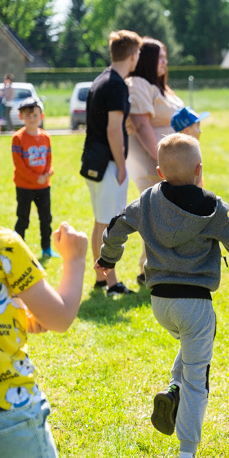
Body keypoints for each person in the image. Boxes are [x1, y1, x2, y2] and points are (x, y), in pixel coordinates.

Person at [95, 133, 229, 458]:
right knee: (199, 378)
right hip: (195, 301)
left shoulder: (148, 199)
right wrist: (223, 225)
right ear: (199, 170)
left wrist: (107, 259)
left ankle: (173, 390)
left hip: (160, 301)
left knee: (192, 349)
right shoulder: (212, 206)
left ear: (160, 172)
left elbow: (117, 226)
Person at [0, 137, 88, 458]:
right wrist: (75, 259)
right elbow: (60, 317)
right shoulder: (2, 247)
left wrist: (18, 317)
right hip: (10, 412)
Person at [83, 29, 141, 296]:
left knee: (100, 221)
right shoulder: (116, 84)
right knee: (109, 225)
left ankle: (100, 278)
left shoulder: (101, 80)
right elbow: (113, 129)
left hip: (93, 161)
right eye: (138, 53)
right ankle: (111, 283)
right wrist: (120, 164)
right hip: (107, 163)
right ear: (131, 55)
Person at [126, 38, 185, 285]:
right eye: (160, 57)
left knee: (169, 214)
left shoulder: (162, 88)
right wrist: (163, 157)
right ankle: (149, 270)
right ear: (147, 60)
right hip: (152, 160)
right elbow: (141, 124)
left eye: (165, 57)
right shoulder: (138, 84)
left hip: (174, 160)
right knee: (157, 214)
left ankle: (157, 267)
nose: (165, 61)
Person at [11, 97, 55, 260]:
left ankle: (46, 249)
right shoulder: (18, 138)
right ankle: (17, 247)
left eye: (35, 115)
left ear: (41, 116)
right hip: (25, 187)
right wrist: (36, 178)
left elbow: (49, 159)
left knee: (46, 219)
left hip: (43, 187)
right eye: (27, 115)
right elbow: (19, 165)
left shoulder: (46, 137)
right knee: (23, 218)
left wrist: (48, 172)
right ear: (21, 116)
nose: (32, 119)